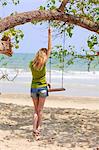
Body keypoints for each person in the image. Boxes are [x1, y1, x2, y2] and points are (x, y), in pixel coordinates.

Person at [29, 27, 52, 140]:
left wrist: (46, 82)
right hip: (42, 89)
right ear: (44, 55)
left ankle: (34, 129)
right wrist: (49, 35)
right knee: (40, 110)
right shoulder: (44, 63)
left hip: (34, 88)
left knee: (35, 111)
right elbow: (50, 48)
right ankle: (38, 130)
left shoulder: (31, 64)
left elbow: (37, 76)